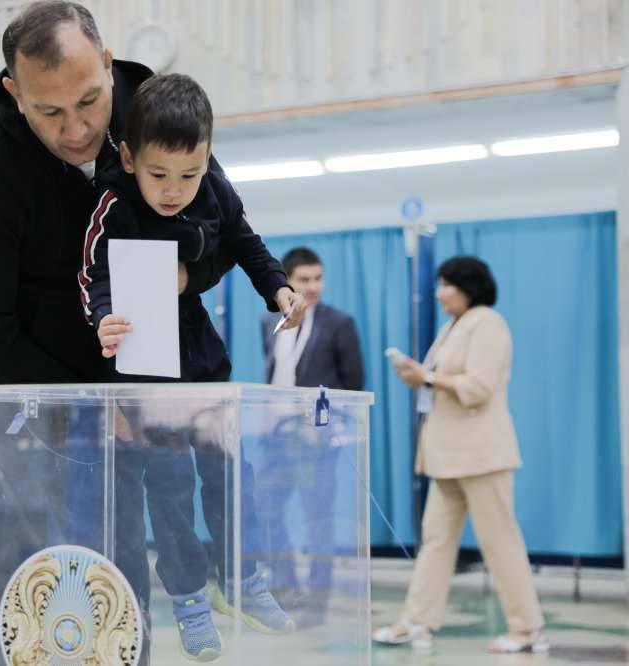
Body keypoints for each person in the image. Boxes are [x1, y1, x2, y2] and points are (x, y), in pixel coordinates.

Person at [0, 3, 235, 663]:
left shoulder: (153, 115)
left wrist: (184, 277)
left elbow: (220, 235)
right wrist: (88, 409)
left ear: (107, 61)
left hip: (130, 402)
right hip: (18, 403)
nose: (77, 129)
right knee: (11, 590)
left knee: (118, 588)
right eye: (49, 112)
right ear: (15, 92)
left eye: (90, 102)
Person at [80, 72, 303, 660]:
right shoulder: (111, 204)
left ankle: (240, 576)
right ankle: (186, 596)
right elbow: (92, 277)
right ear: (128, 157)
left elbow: (247, 243)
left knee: (231, 472)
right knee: (170, 488)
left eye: (191, 173)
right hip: (143, 368)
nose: (175, 190)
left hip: (199, 357)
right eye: (159, 175)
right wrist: (102, 317)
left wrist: (277, 290)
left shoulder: (215, 189)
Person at [373, 256, 547, 654]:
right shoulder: (454, 326)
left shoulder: (487, 323)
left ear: (467, 286)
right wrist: (421, 374)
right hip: (446, 454)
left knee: (500, 541)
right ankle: (416, 622)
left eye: (446, 285)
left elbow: (480, 387)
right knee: (436, 541)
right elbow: (443, 379)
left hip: (482, 453)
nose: (438, 293)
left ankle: (527, 629)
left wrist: (428, 377)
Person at [258, 247, 364, 621]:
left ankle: (317, 601)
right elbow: (274, 373)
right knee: (267, 511)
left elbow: (353, 385)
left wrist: (330, 425)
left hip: (317, 440)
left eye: (318, 278)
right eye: (304, 280)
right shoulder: (267, 322)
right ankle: (286, 587)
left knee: (318, 518)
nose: (313, 286)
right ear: (287, 282)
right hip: (276, 438)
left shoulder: (339, 323)